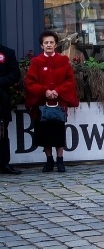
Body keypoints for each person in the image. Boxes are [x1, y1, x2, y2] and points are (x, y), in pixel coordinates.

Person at [24, 31, 79, 172]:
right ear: (42, 45)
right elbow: (30, 82)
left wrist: (58, 91)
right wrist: (45, 91)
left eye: (51, 42)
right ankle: (49, 161)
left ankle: (60, 160)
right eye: (46, 43)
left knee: (58, 132)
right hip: (42, 104)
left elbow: (70, 81)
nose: (49, 45)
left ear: (55, 45)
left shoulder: (63, 61)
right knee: (44, 133)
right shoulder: (36, 62)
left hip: (58, 104)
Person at [0, 44, 22, 174]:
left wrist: (1, 81)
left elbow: (15, 74)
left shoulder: (7, 52)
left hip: (1, 101)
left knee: (2, 134)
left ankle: (3, 164)